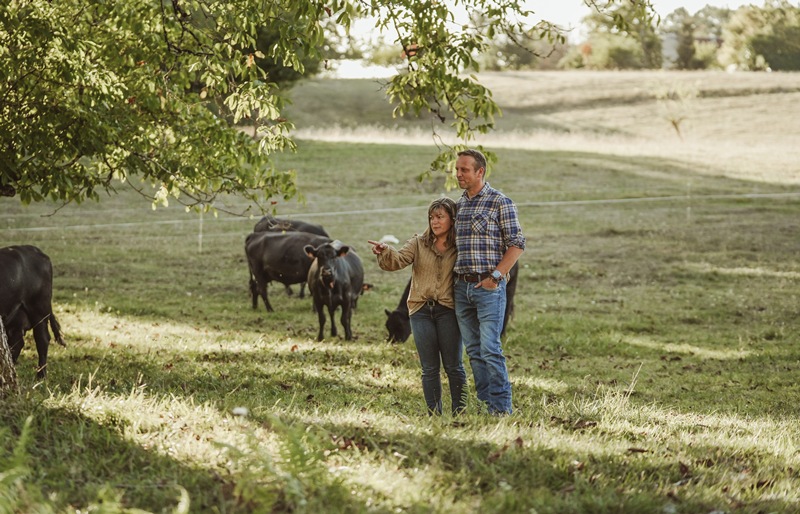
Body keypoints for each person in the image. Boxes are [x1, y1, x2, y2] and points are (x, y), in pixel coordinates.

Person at [368, 197, 467, 416]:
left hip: (448, 311)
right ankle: (434, 414)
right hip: (420, 311)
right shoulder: (418, 243)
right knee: (429, 368)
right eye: (431, 217)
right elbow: (398, 260)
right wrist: (385, 251)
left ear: (452, 219)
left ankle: (460, 413)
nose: (435, 222)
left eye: (440, 217)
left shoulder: (461, 245)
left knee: (453, 366)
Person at [453, 149, 525, 416]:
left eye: (464, 170)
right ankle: (485, 405)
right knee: (473, 350)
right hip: (461, 287)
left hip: (488, 288)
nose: (459, 174)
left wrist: (495, 277)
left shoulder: (500, 202)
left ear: (480, 172)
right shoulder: (458, 206)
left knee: (490, 348)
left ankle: (502, 407)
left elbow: (517, 243)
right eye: (457, 169)